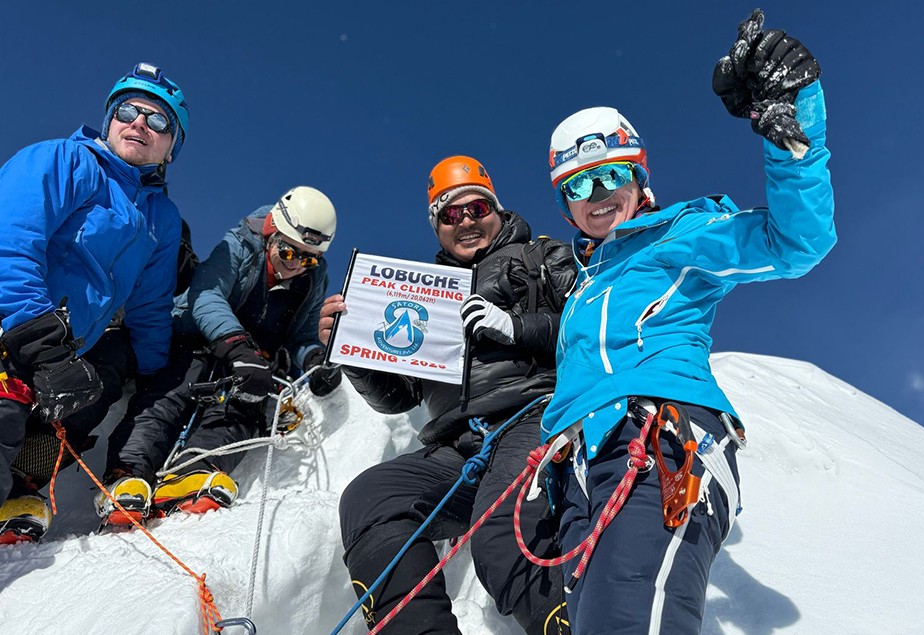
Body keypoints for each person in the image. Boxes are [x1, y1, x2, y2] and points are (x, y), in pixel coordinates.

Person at [531, 10, 835, 634]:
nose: (597, 195)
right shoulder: (584, 287)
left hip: (662, 442)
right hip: (582, 473)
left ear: (641, 178)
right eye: (577, 187)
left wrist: (793, 124)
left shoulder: (680, 235)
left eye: (611, 174)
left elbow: (796, 242)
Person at [321, 156, 577, 634]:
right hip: (457, 445)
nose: (465, 222)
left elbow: (594, 322)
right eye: (449, 215)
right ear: (436, 226)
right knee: (371, 497)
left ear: (496, 210)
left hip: (532, 416)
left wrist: (518, 328)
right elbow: (397, 399)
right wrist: (351, 350)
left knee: (502, 535)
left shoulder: (540, 257)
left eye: (476, 207)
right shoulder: (423, 294)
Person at [0, 62, 190, 544]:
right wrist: (37, 339)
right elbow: (10, 240)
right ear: (109, 118)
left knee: (101, 376)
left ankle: (28, 475)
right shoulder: (62, 161)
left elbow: (149, 306)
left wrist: (155, 375)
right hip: (16, 334)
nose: (140, 123)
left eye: (159, 120)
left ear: (172, 146)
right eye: (129, 110)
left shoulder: (160, 219)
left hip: (64, 353)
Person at [95, 186, 342, 526]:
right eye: (288, 253)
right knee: (170, 394)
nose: (296, 265)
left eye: (308, 258)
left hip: (251, 357)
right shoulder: (240, 245)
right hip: (197, 339)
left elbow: (303, 335)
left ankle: (196, 468)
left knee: (248, 405)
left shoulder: (312, 279)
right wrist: (237, 345)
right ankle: (128, 473)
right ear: (272, 232)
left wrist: (314, 360)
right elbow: (206, 294)